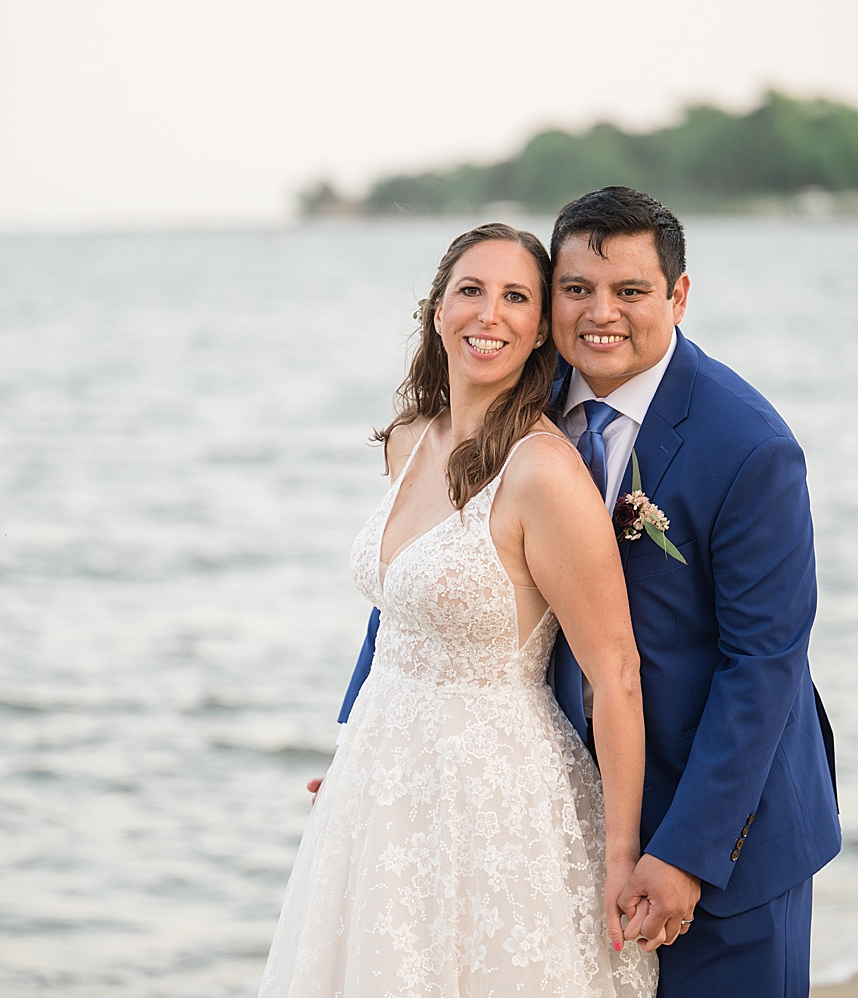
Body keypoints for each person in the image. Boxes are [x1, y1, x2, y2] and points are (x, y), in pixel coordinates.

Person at [334, 188, 841, 997]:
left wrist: (684, 853)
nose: (600, 315)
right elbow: (430, 559)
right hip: (553, 822)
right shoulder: (520, 395)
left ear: (678, 296)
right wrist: (370, 733)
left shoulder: (749, 446)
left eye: (631, 292)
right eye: (577, 290)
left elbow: (766, 665)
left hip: (725, 828)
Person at [259, 223, 658, 997]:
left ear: (541, 327)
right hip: (379, 784)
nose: (490, 314)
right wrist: (354, 751)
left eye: (517, 297)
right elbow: (402, 615)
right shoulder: (408, 439)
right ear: (437, 308)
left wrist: (621, 855)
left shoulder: (544, 471)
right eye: (471, 290)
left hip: (494, 795)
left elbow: (616, 673)